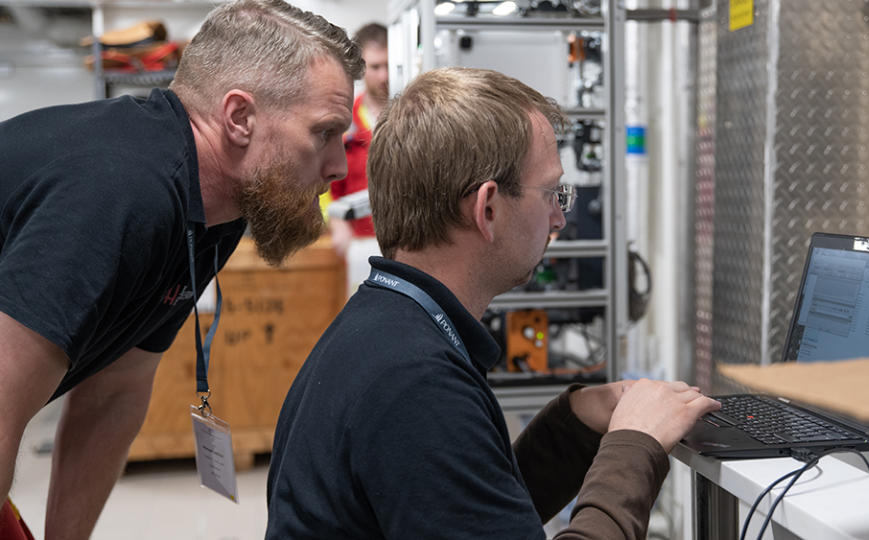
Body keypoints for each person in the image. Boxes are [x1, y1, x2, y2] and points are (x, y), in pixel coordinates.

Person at [266, 67, 720, 539]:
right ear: (487, 209)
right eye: (550, 193)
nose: (560, 217)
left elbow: (466, 511)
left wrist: (570, 427)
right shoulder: (418, 385)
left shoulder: (382, 329)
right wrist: (635, 446)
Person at [0, 1, 363, 537]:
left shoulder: (213, 212)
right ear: (240, 118)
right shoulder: (122, 192)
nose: (338, 165)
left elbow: (115, 389)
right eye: (324, 133)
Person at [327, 22, 389, 295]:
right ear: (363, 68)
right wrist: (336, 223)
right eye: (376, 67)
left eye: (390, 64)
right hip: (357, 248)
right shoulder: (344, 121)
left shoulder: (411, 118)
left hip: (405, 247)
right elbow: (326, 182)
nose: (384, 75)